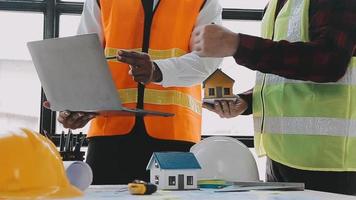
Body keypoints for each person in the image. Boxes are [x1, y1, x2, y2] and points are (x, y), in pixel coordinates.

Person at [192, 0, 356, 195]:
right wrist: (247, 101)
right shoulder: (277, 5)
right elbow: (285, 74)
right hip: (281, 158)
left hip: (333, 163)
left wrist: (237, 44)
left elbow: (329, 62)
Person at [52, 0, 222, 184]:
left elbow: (209, 57)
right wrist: (75, 106)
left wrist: (158, 70)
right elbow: (84, 56)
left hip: (174, 135)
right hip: (109, 134)